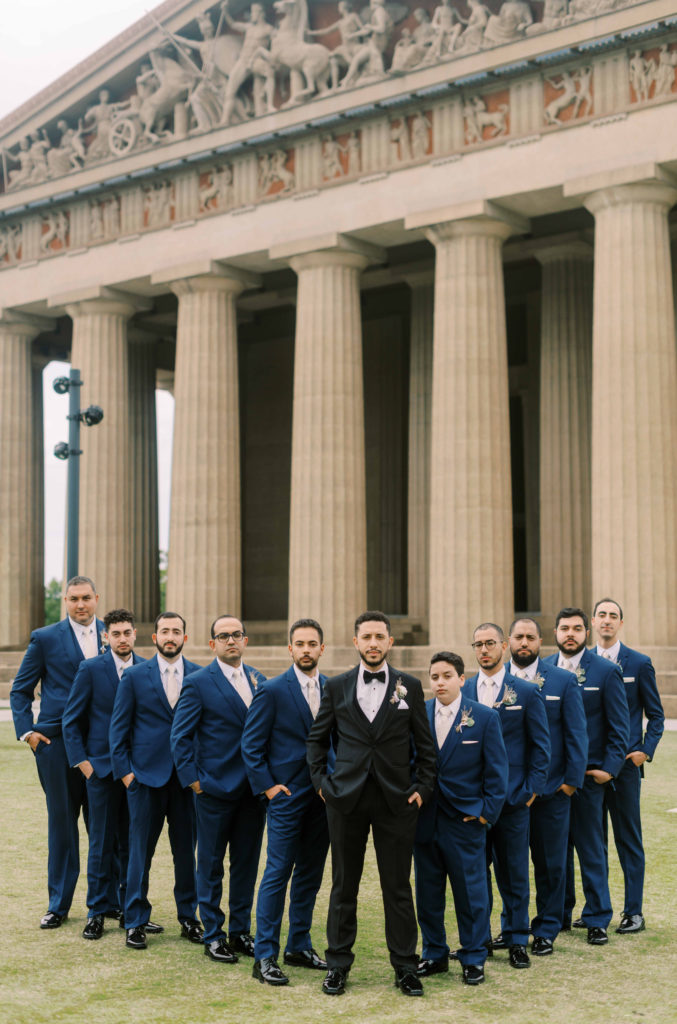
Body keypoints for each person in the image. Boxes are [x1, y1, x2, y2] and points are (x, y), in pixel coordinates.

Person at [307, 611, 436, 997]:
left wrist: (422, 789)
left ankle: (405, 967)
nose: (373, 643)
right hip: (345, 800)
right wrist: (322, 784)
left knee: (397, 886)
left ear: (390, 642)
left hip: (396, 801)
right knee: (343, 885)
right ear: (356, 641)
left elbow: (425, 746)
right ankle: (338, 965)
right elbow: (317, 740)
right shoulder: (337, 686)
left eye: (380, 636)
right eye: (367, 637)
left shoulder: (409, 687)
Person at [171, 614, 267, 964]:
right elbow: (180, 737)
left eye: (237, 634)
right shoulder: (198, 682)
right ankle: (213, 934)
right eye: (223, 636)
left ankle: (241, 931)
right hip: (212, 790)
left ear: (245, 640)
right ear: (212, 644)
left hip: (252, 792)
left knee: (246, 864)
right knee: (210, 865)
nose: (231, 640)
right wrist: (194, 780)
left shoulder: (259, 679)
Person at [10, 575, 103, 929]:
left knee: (104, 825)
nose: (80, 605)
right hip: (55, 746)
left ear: (97, 598)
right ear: (65, 601)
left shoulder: (113, 635)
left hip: (99, 748)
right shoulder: (46, 638)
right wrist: (28, 733)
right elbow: (21, 691)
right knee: (62, 825)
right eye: (73, 599)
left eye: (86, 598)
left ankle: (106, 903)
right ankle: (58, 905)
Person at [242, 618, 331, 986]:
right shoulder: (273, 690)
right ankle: (264, 955)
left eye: (313, 644)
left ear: (321, 649)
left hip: (324, 799)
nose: (306, 649)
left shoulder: (333, 688)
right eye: (300, 644)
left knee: (311, 874)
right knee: (277, 873)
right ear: (290, 649)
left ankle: (299, 944)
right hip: (286, 796)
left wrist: (333, 784)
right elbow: (251, 744)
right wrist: (268, 788)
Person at [414, 651, 508, 986]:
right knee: (427, 894)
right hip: (425, 822)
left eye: (447, 676)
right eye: (435, 677)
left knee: (471, 894)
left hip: (465, 821)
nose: (440, 682)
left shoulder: (483, 717)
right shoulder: (419, 714)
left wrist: (485, 813)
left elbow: (497, 772)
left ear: (461, 679)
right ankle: (434, 954)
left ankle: (472, 957)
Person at [109, 612, 202, 950]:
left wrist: (197, 775)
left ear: (184, 638)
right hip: (144, 780)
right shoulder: (134, 676)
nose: (170, 636)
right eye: (165, 631)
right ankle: (135, 920)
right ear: (154, 637)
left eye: (177, 631)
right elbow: (118, 731)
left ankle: (189, 918)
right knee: (138, 853)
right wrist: (127, 775)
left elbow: (204, 731)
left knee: (185, 854)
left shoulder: (199, 676)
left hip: (185, 782)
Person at [63, 609, 155, 939]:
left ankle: (133, 912)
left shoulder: (148, 668)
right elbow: (71, 721)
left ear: (135, 634)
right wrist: (85, 764)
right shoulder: (90, 670)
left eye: (127, 632)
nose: (122, 638)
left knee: (134, 846)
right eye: (115, 633)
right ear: (106, 636)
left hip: (137, 771)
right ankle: (97, 911)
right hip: (100, 771)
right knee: (101, 843)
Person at [463, 623, 550, 969]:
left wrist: (531, 791)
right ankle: (479, 939)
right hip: (474, 802)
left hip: (514, 800)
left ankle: (516, 939)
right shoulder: (464, 689)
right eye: (478, 644)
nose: (484, 650)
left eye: (490, 643)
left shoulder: (525, 692)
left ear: (503, 645)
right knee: (475, 873)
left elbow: (541, 747)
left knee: (514, 872)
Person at [543, 607, 629, 945]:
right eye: (564, 628)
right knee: (555, 851)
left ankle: (597, 917)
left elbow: (619, 726)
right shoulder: (544, 670)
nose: (570, 634)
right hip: (552, 780)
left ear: (586, 633)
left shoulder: (606, 671)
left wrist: (609, 769)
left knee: (591, 848)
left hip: (589, 778)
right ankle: (560, 914)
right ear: (555, 632)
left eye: (577, 629)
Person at [506, 617, 588, 955]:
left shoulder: (563, 681)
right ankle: (512, 927)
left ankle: (547, 928)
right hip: (510, 792)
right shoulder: (498, 682)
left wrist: (570, 784)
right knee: (510, 867)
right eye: (518, 637)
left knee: (551, 864)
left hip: (552, 791)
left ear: (541, 641)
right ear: (508, 642)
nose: (524, 643)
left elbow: (576, 735)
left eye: (530, 637)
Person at [591, 598, 664, 934]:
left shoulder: (639, 663)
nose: (607, 620)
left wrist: (644, 752)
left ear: (621, 623)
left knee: (627, 839)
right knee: (592, 842)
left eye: (613, 616)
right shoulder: (582, 663)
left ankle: (633, 911)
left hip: (625, 768)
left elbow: (656, 716)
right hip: (590, 768)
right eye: (602, 615)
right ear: (593, 621)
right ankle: (596, 910)